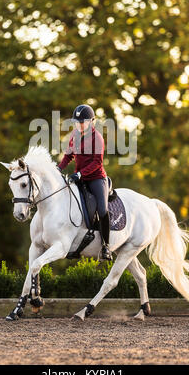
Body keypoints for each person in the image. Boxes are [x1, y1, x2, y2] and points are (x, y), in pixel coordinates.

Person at [58, 104, 113, 261]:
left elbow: (97, 162)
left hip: (96, 179)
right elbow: (68, 155)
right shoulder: (75, 135)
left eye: (82, 122)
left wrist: (80, 174)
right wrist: (59, 168)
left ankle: (106, 246)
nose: (78, 125)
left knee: (102, 210)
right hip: (79, 178)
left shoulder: (98, 138)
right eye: (76, 122)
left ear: (91, 122)